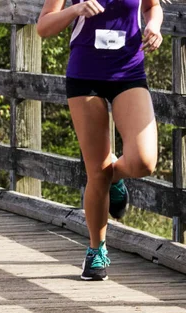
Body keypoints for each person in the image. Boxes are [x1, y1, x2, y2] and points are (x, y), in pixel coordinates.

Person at [37, 0, 162, 281]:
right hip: (85, 75)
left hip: (129, 72)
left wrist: (154, 25)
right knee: (96, 171)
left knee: (144, 162)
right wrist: (75, 10)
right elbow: (43, 27)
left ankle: (113, 176)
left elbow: (152, 6)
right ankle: (96, 249)